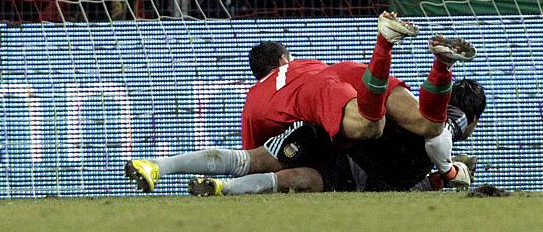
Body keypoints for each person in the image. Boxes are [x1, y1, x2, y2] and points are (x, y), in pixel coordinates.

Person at [125, 12, 476, 192]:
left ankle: (160, 166)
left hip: (321, 102)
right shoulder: (304, 63)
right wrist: (448, 171)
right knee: (428, 125)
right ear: (283, 59)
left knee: (252, 161)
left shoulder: (255, 99)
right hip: (346, 72)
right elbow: (439, 136)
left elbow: (254, 159)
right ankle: (439, 65)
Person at [188, 78, 487, 195]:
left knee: (258, 160)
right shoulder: (441, 129)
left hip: (331, 126)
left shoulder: (413, 106)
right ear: (472, 119)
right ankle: (223, 188)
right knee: (298, 179)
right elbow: (447, 127)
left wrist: (440, 178)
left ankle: (206, 180)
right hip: (354, 164)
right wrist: (448, 170)